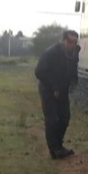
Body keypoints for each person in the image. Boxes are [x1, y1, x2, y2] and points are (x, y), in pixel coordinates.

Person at [35, 30, 81, 160]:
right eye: (70, 41)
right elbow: (39, 72)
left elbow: (73, 69)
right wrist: (54, 86)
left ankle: (59, 145)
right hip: (48, 89)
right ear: (64, 41)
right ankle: (54, 149)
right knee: (52, 119)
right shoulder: (51, 53)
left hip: (62, 90)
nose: (73, 45)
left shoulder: (73, 54)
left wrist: (74, 81)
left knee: (65, 117)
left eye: (75, 42)